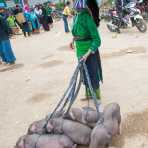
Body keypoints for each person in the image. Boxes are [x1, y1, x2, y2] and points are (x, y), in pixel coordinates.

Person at [72, 0, 102, 100]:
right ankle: (89, 94)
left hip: (89, 52)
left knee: (92, 73)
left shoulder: (88, 18)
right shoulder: (76, 16)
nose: (76, 8)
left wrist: (87, 54)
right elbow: (77, 33)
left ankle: (96, 96)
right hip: (80, 51)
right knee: (84, 74)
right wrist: (73, 40)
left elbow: (97, 40)